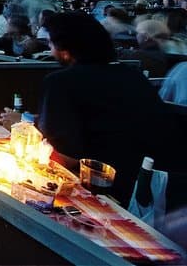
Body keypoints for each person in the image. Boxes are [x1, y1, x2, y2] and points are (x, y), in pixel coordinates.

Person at [36, 12, 185, 205]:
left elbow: (63, 158)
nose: (50, 51)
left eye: (50, 44)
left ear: (64, 48)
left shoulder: (60, 82)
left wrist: (21, 127)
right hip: (159, 190)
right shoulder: (133, 76)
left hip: (111, 195)